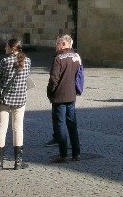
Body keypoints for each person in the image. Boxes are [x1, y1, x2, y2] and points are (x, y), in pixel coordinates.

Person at [0, 38, 31, 170]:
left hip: (5, 98)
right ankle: (18, 162)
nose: (5, 48)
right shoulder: (28, 61)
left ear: (12, 48)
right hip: (20, 99)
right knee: (18, 128)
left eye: (6, 46)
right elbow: (26, 77)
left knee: (1, 128)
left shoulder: (5, 61)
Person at [47, 34, 81, 163]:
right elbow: (79, 75)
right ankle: (76, 153)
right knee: (72, 124)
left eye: (58, 44)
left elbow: (54, 78)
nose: (56, 46)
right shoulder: (76, 56)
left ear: (63, 44)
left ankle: (63, 154)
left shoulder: (59, 58)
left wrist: (50, 92)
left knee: (60, 124)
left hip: (59, 95)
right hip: (71, 94)